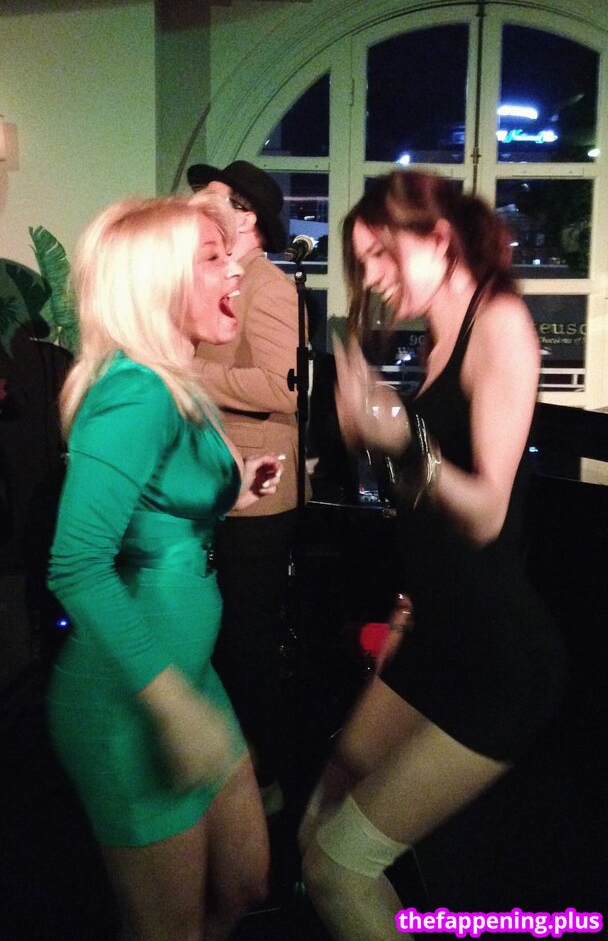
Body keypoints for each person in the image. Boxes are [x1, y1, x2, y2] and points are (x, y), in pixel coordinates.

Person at [299, 171, 565, 941]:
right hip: (436, 636)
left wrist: (400, 436)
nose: (374, 277)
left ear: (440, 239)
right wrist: (406, 609)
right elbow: (429, 510)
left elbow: (485, 512)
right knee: (321, 816)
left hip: (497, 661)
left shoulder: (500, 322)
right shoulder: (436, 338)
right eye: (363, 263)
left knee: (337, 869)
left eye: (383, 254)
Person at [46, 195, 284, 941]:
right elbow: (76, 566)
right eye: (211, 258)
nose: (235, 270)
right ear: (155, 284)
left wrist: (233, 491)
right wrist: (171, 705)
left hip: (191, 677)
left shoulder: (175, 377)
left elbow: (157, 510)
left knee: (245, 885)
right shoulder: (135, 395)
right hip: (131, 701)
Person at [187, 160, 300, 815]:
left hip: (259, 492)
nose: (198, 208)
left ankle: (264, 782)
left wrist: (189, 373)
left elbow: (283, 388)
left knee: (248, 641)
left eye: (214, 200)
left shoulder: (269, 286)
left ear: (247, 216)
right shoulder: (223, 279)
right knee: (224, 637)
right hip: (218, 483)